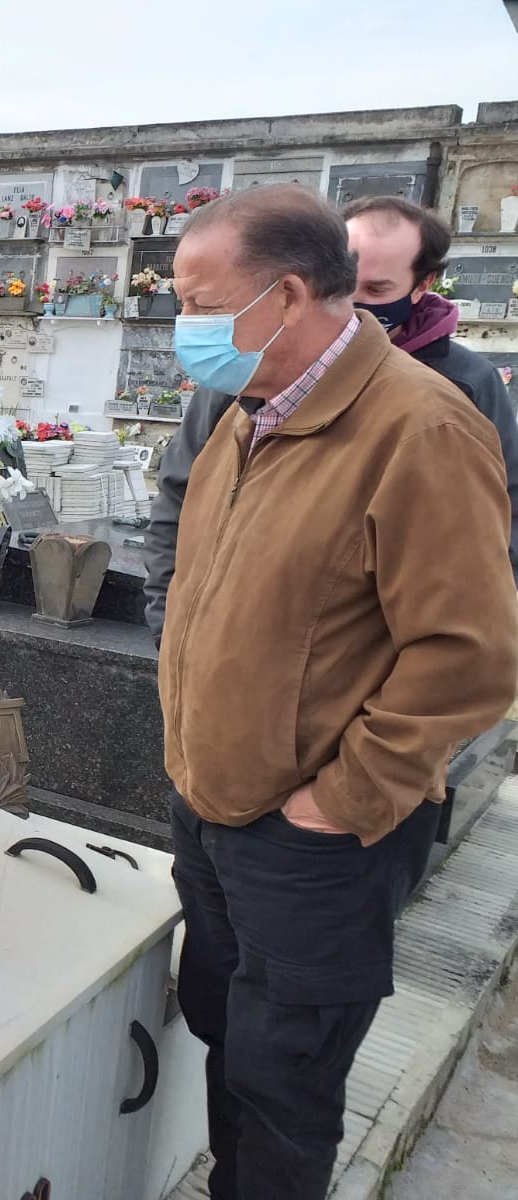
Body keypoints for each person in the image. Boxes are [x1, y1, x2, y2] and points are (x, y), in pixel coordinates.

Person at [158, 184, 517, 1199]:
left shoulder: (420, 429)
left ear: (282, 297)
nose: (185, 326)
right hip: (214, 807)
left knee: (286, 1087)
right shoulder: (247, 413)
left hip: (313, 842)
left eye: (197, 300)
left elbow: (470, 657)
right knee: (228, 1038)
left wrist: (336, 803)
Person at [144, 197, 518, 644]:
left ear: (422, 285)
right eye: (346, 282)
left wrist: (362, 715)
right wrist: (171, 632)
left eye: (376, 290)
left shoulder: (451, 402)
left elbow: (465, 624)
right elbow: (180, 499)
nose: (349, 303)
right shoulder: (241, 369)